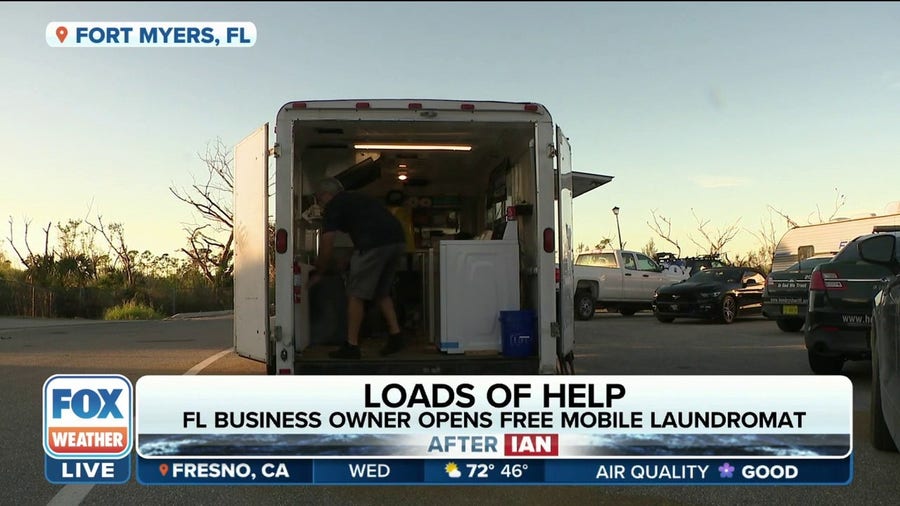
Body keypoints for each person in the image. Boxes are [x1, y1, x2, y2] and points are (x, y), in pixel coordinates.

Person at [310, 177, 407, 359]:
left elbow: (327, 243)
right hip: (397, 241)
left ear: (326, 194)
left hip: (375, 245)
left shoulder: (334, 205)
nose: (320, 203)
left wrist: (319, 271)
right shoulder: (357, 199)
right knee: (381, 292)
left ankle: (351, 346)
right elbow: (367, 229)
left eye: (319, 198)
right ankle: (396, 336)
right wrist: (349, 258)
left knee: (356, 294)